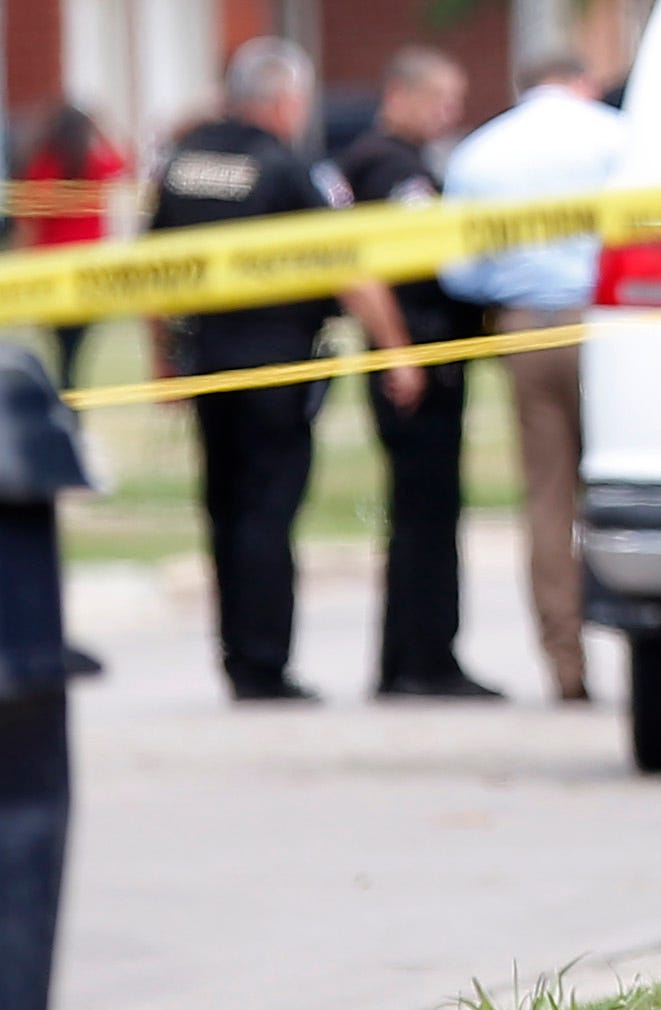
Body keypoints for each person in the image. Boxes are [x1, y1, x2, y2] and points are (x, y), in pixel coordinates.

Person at [145, 40, 424, 704]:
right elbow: (347, 267)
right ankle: (266, 664)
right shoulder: (286, 167)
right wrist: (397, 350)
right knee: (269, 511)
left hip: (209, 361)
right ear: (279, 99)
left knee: (223, 507)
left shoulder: (183, 163)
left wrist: (164, 360)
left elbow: (148, 272)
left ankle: (239, 657)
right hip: (278, 363)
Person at [439, 55, 624, 707]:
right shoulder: (619, 136)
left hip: (521, 327)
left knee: (547, 499)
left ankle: (565, 664)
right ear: (585, 80)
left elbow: (458, 269)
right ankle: (645, 647)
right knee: (624, 484)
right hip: (609, 326)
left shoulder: (480, 151)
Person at [334, 47, 499, 701]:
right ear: (400, 96)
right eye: (440, 99)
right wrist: (402, 350)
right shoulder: (395, 170)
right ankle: (427, 659)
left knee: (415, 514)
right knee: (426, 514)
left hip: (410, 357)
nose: (450, 113)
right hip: (417, 359)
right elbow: (385, 265)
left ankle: (405, 658)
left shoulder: (372, 161)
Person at [15, 105, 128, 392]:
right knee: (74, 347)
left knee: (63, 347)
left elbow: (29, 220)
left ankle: (66, 393)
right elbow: (125, 163)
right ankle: (69, 395)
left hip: (51, 267)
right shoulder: (91, 164)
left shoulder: (42, 164)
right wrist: (104, 130)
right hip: (86, 270)